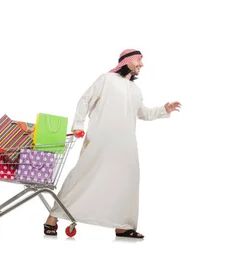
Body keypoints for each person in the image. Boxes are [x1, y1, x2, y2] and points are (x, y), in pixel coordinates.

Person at [42, 49, 181, 238]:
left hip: (126, 143)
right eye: (139, 60)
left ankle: (123, 225)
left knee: (127, 181)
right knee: (83, 175)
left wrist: (164, 109)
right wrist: (78, 125)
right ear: (127, 61)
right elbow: (85, 101)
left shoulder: (135, 89)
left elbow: (143, 114)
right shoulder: (106, 79)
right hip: (101, 138)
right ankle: (53, 216)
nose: (142, 64)